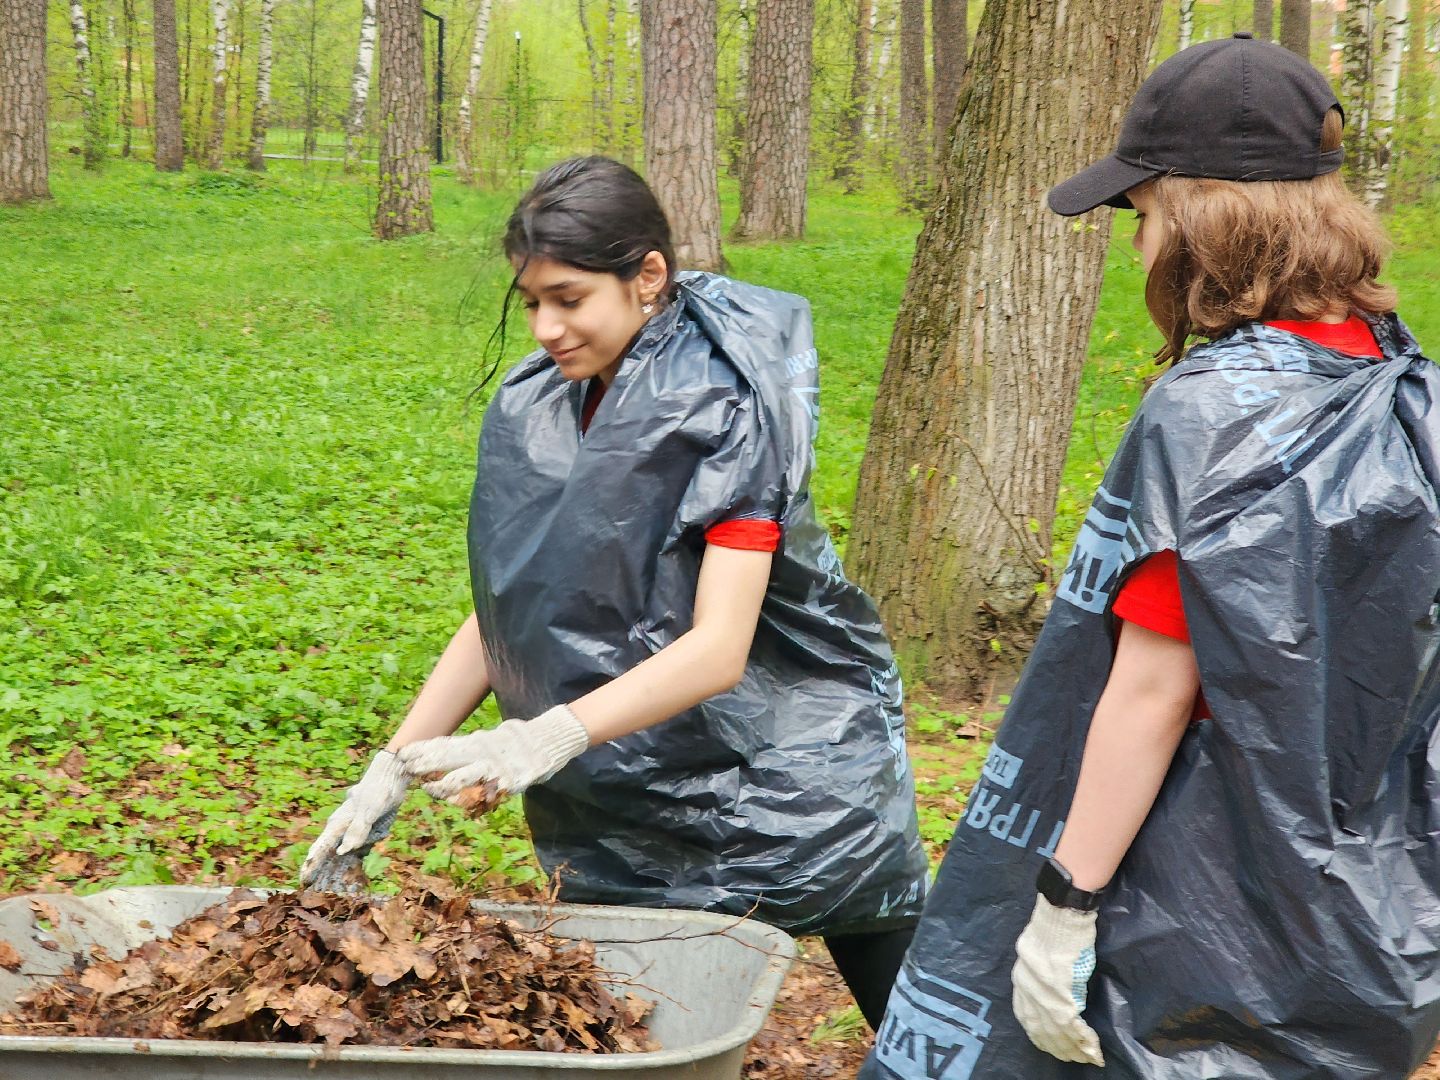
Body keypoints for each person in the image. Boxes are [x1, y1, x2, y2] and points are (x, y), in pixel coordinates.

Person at [862, 34, 1440, 1079]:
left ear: (1199, 219)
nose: (1137, 248)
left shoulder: (1213, 415)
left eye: (1142, 216)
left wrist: (1066, 903)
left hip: (1203, 886)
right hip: (1371, 894)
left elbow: (1152, 688)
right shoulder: (1412, 393)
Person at [299, 156, 929, 1029]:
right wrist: (394, 766)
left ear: (648, 277)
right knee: (653, 1020)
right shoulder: (541, 406)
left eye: (569, 298)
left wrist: (539, 739)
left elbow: (720, 647)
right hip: (632, 782)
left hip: (788, 760)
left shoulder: (728, 404)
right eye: (531, 302)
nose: (546, 328)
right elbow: (511, 612)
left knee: (910, 1000)